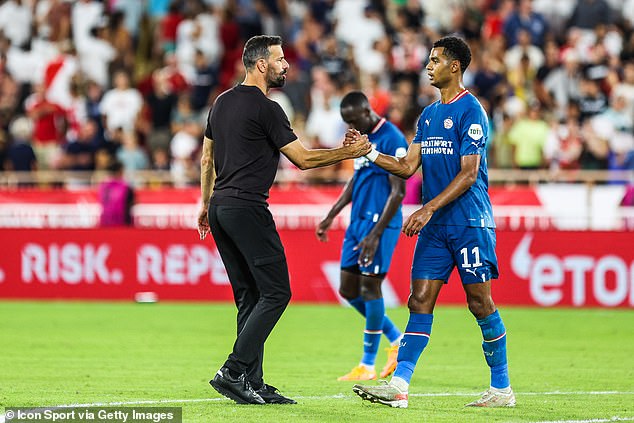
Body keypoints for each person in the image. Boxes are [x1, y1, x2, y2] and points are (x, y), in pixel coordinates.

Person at [196, 35, 371, 406]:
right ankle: (233, 370)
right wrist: (348, 151)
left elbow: (207, 158)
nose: (286, 65)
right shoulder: (268, 109)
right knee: (277, 292)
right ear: (261, 65)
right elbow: (304, 160)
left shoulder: (221, 103)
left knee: (249, 297)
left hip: (220, 207)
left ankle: (252, 382)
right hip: (247, 207)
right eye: (279, 59)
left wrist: (204, 204)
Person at [351, 36, 515, 409]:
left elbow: (469, 174)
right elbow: (408, 166)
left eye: (435, 60)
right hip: (437, 227)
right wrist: (371, 152)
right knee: (419, 299)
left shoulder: (471, 110)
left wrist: (426, 208)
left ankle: (501, 388)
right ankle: (399, 386)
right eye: (429, 60)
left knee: (479, 302)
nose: (428, 66)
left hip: (470, 222)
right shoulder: (427, 115)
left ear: (454, 66)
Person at [315, 91, 408, 382]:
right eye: (347, 123)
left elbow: (399, 191)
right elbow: (357, 179)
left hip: (381, 225)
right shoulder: (360, 140)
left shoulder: (393, 138)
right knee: (347, 290)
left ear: (368, 111)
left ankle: (367, 364)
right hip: (357, 224)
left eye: (354, 121)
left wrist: (376, 234)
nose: (351, 128)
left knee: (370, 289)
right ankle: (396, 339)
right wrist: (332, 214)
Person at [98, 160, 134, 227]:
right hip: (122, 223)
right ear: (119, 171)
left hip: (105, 222)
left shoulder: (103, 186)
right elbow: (131, 203)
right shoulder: (125, 187)